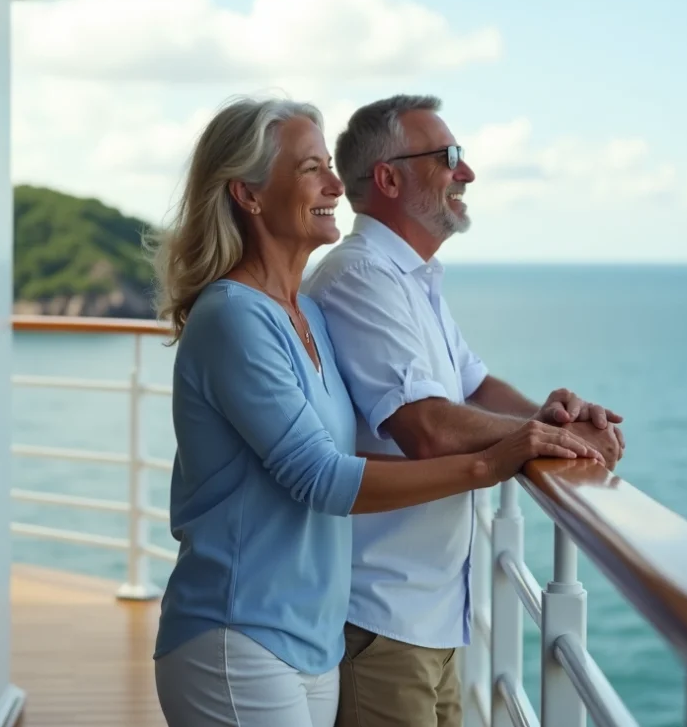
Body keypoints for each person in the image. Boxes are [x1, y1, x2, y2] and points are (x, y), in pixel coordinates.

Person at [146, 96, 601, 727]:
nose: (337, 184)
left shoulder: (305, 316)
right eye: (311, 169)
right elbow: (323, 476)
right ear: (248, 196)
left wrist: (548, 421)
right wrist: (495, 460)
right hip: (238, 630)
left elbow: (457, 392)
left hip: (310, 637)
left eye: (330, 165)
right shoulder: (234, 317)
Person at [302, 94, 626, 727]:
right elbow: (426, 427)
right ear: (389, 178)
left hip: (432, 612)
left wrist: (554, 418)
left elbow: (473, 388)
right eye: (448, 157)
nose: (466, 173)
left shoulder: (411, 278)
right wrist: (548, 440)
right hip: (380, 613)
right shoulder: (361, 276)